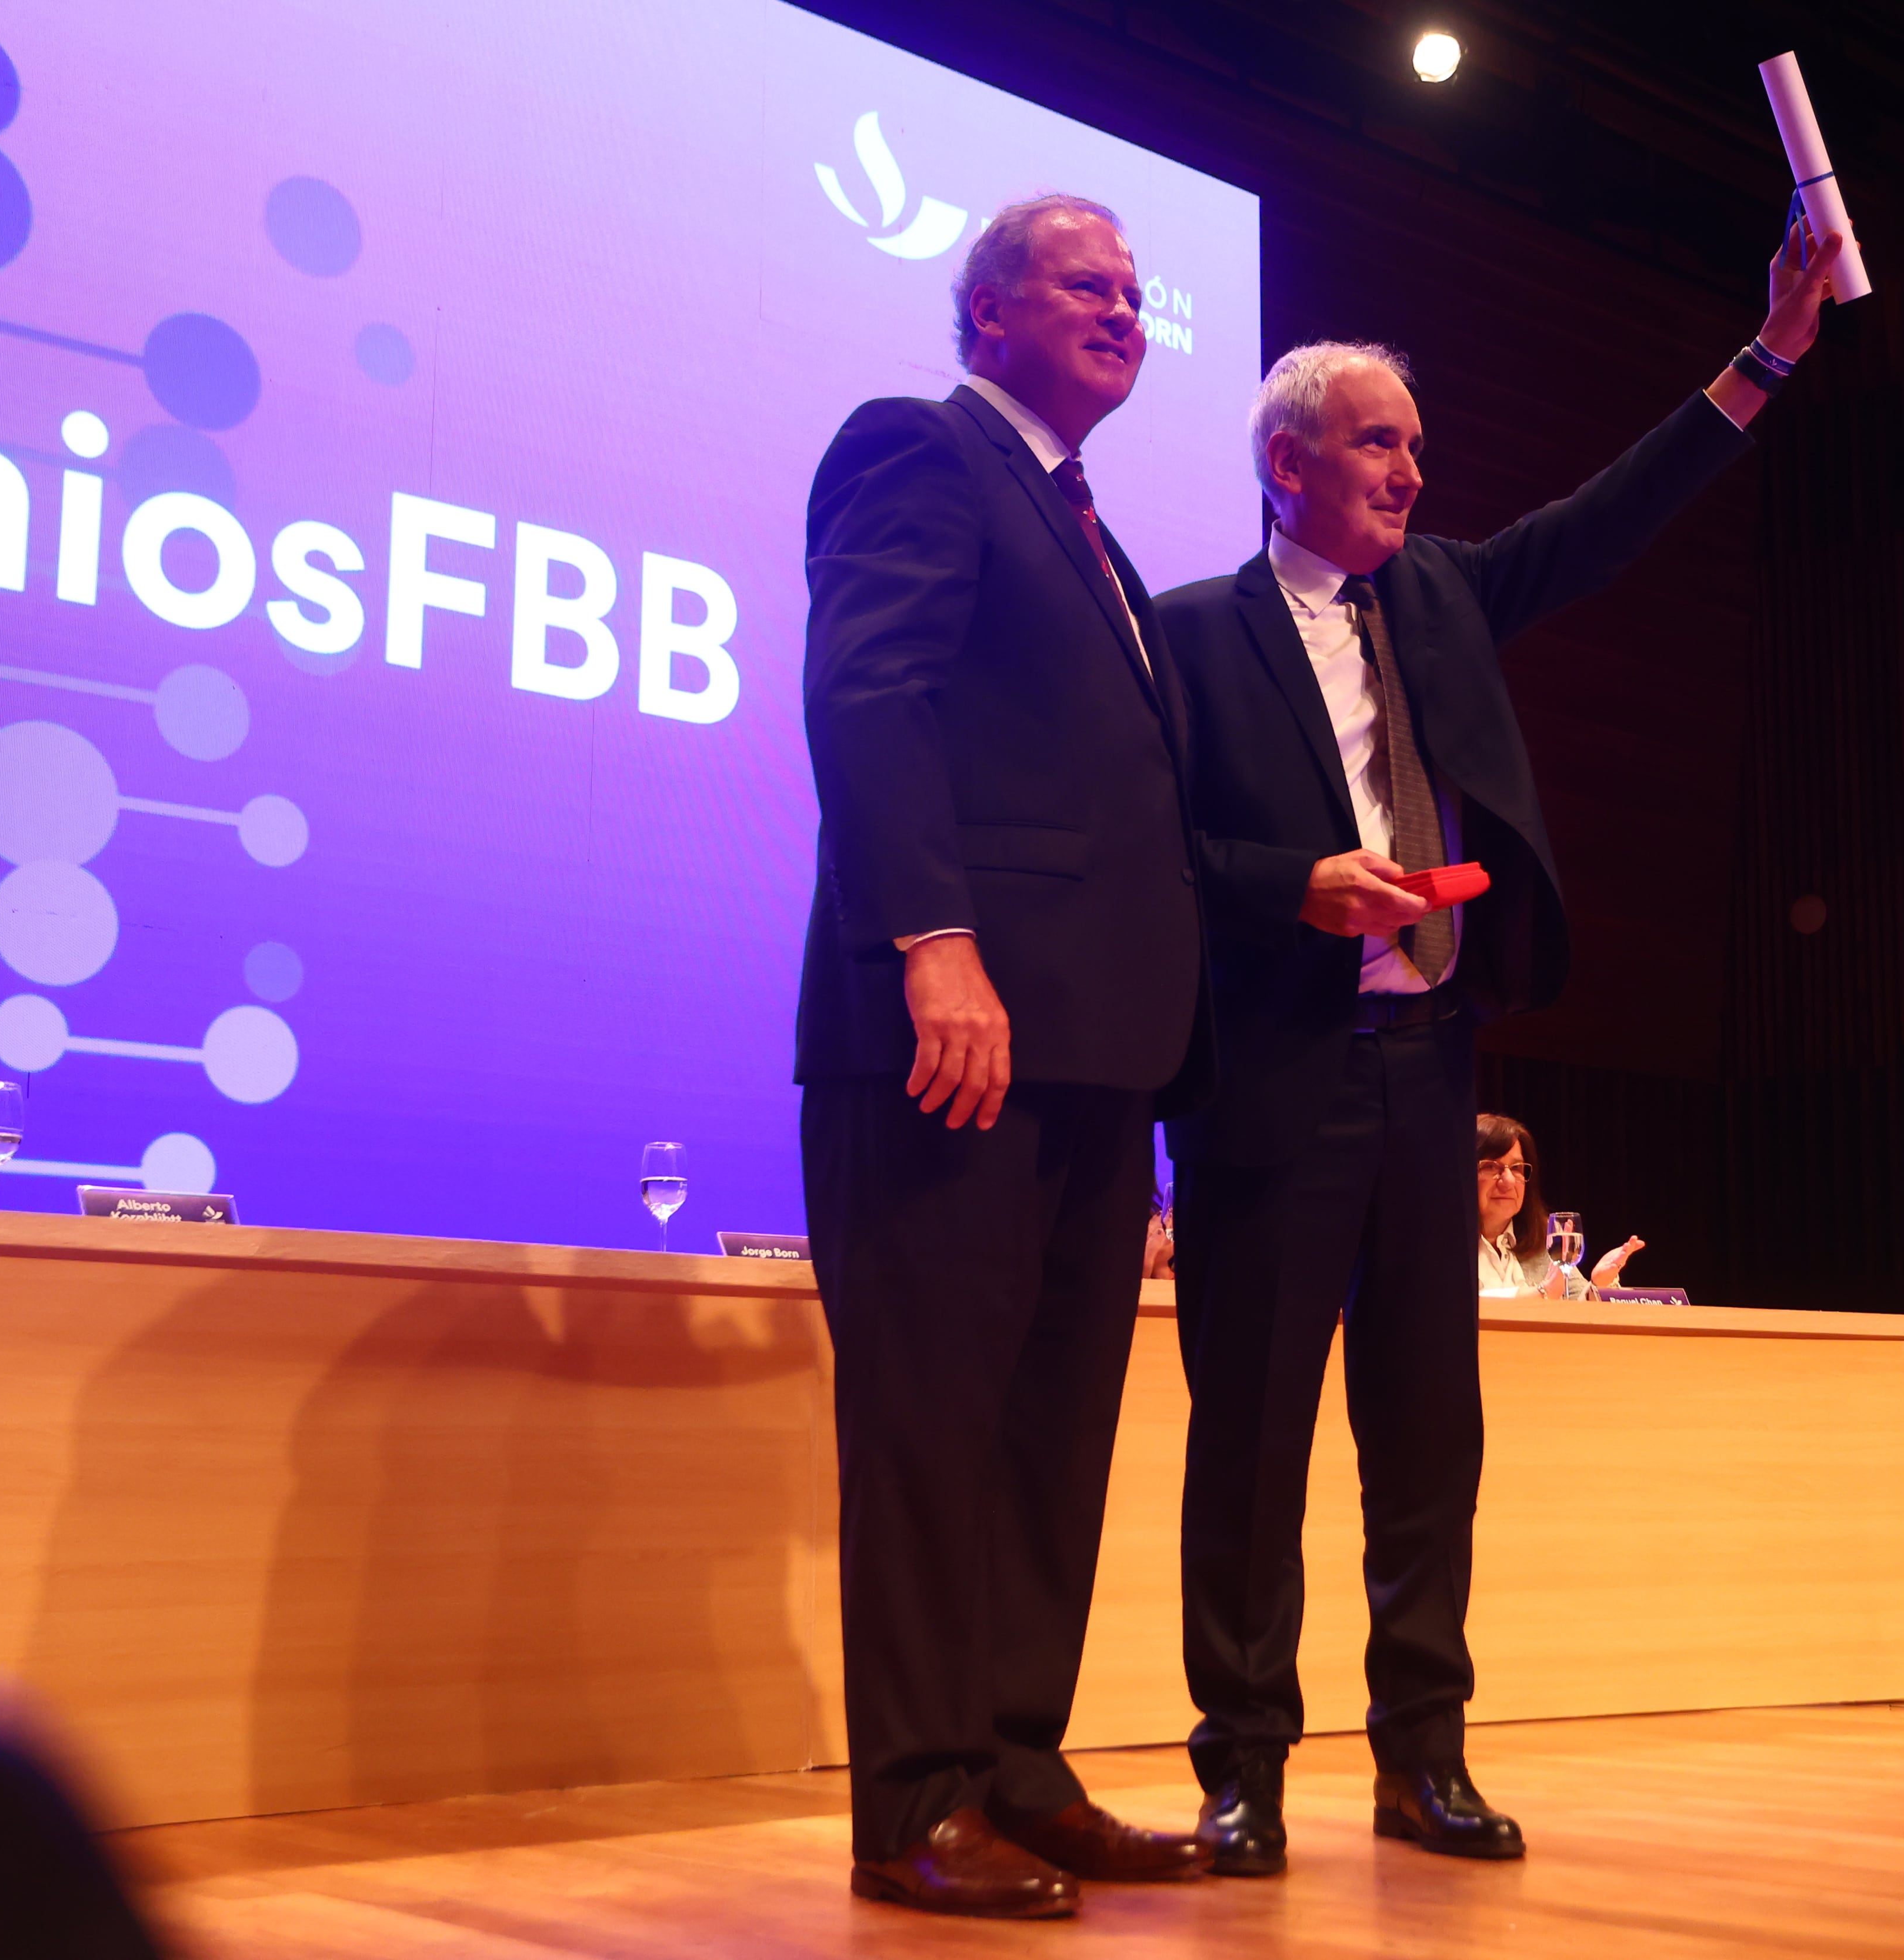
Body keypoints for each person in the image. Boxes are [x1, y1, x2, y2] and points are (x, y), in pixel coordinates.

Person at [1159, 217, 1847, 1875]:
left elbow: (1612, 522)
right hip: (1271, 1073)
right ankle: (1241, 1769)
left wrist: (1768, 354)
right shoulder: (1190, 632)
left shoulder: (1448, 593)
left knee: (1427, 1437)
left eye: (1415, 441)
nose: (1413, 467)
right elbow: (1156, 852)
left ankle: (1425, 1761)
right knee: (1249, 1440)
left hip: (1423, 1071)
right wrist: (1293, 887)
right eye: (1378, 440)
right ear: (1286, 461)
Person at [796, 191, 1214, 1919]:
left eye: (1134, 287)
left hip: (1094, 1065)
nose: (1123, 308)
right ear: (987, 320)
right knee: (933, 1430)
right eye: (1082, 284)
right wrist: (931, 942)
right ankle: (910, 1804)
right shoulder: (921, 450)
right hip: (948, 1044)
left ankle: (1016, 1769)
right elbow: (867, 693)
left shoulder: (1093, 535)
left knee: (1050, 1437)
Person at [1475, 1113, 1643, 1297]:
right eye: (1491, 1167)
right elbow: (1456, 1307)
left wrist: (1597, 1287)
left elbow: (1574, 1312)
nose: (1508, 1181)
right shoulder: (1442, 1243)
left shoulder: (1544, 1234)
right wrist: (1540, 1295)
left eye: (1516, 1168)